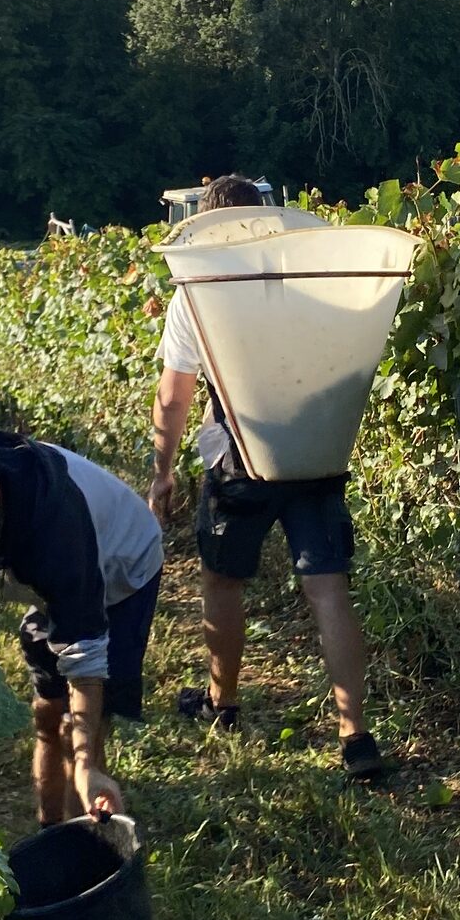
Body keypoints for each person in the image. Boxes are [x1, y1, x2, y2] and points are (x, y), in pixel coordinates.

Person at [147, 175, 387, 780]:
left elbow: (175, 395)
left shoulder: (199, 288)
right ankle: (355, 736)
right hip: (316, 445)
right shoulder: (311, 280)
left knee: (224, 580)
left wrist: (162, 471)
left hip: (239, 455)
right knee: (328, 587)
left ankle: (222, 705)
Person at [0, 429, 162, 824]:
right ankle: (50, 829)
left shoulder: (54, 538)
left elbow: (85, 655)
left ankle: (83, 830)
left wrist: (86, 767)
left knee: (79, 727)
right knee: (47, 714)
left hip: (122, 569)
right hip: (51, 577)